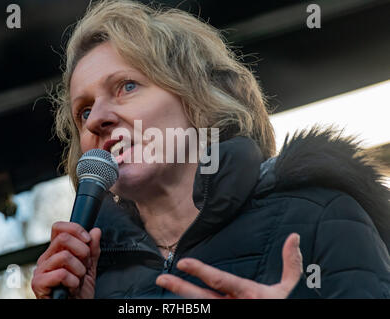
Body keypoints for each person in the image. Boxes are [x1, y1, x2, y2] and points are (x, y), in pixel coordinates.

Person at [31, 0, 390, 299]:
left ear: (198, 101)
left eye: (127, 86)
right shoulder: (91, 280)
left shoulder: (321, 215)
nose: (97, 120)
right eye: (85, 111)